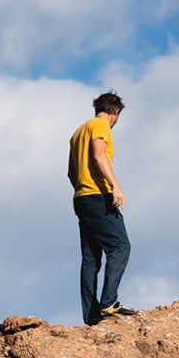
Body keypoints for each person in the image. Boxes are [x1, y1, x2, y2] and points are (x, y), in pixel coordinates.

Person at [68, 91, 137, 325]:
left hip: (81, 197)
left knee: (90, 258)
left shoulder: (78, 132)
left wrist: (83, 188)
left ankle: (91, 315)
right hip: (98, 196)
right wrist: (115, 186)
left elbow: (71, 172)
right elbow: (99, 155)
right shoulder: (100, 126)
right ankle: (109, 302)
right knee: (120, 247)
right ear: (115, 112)